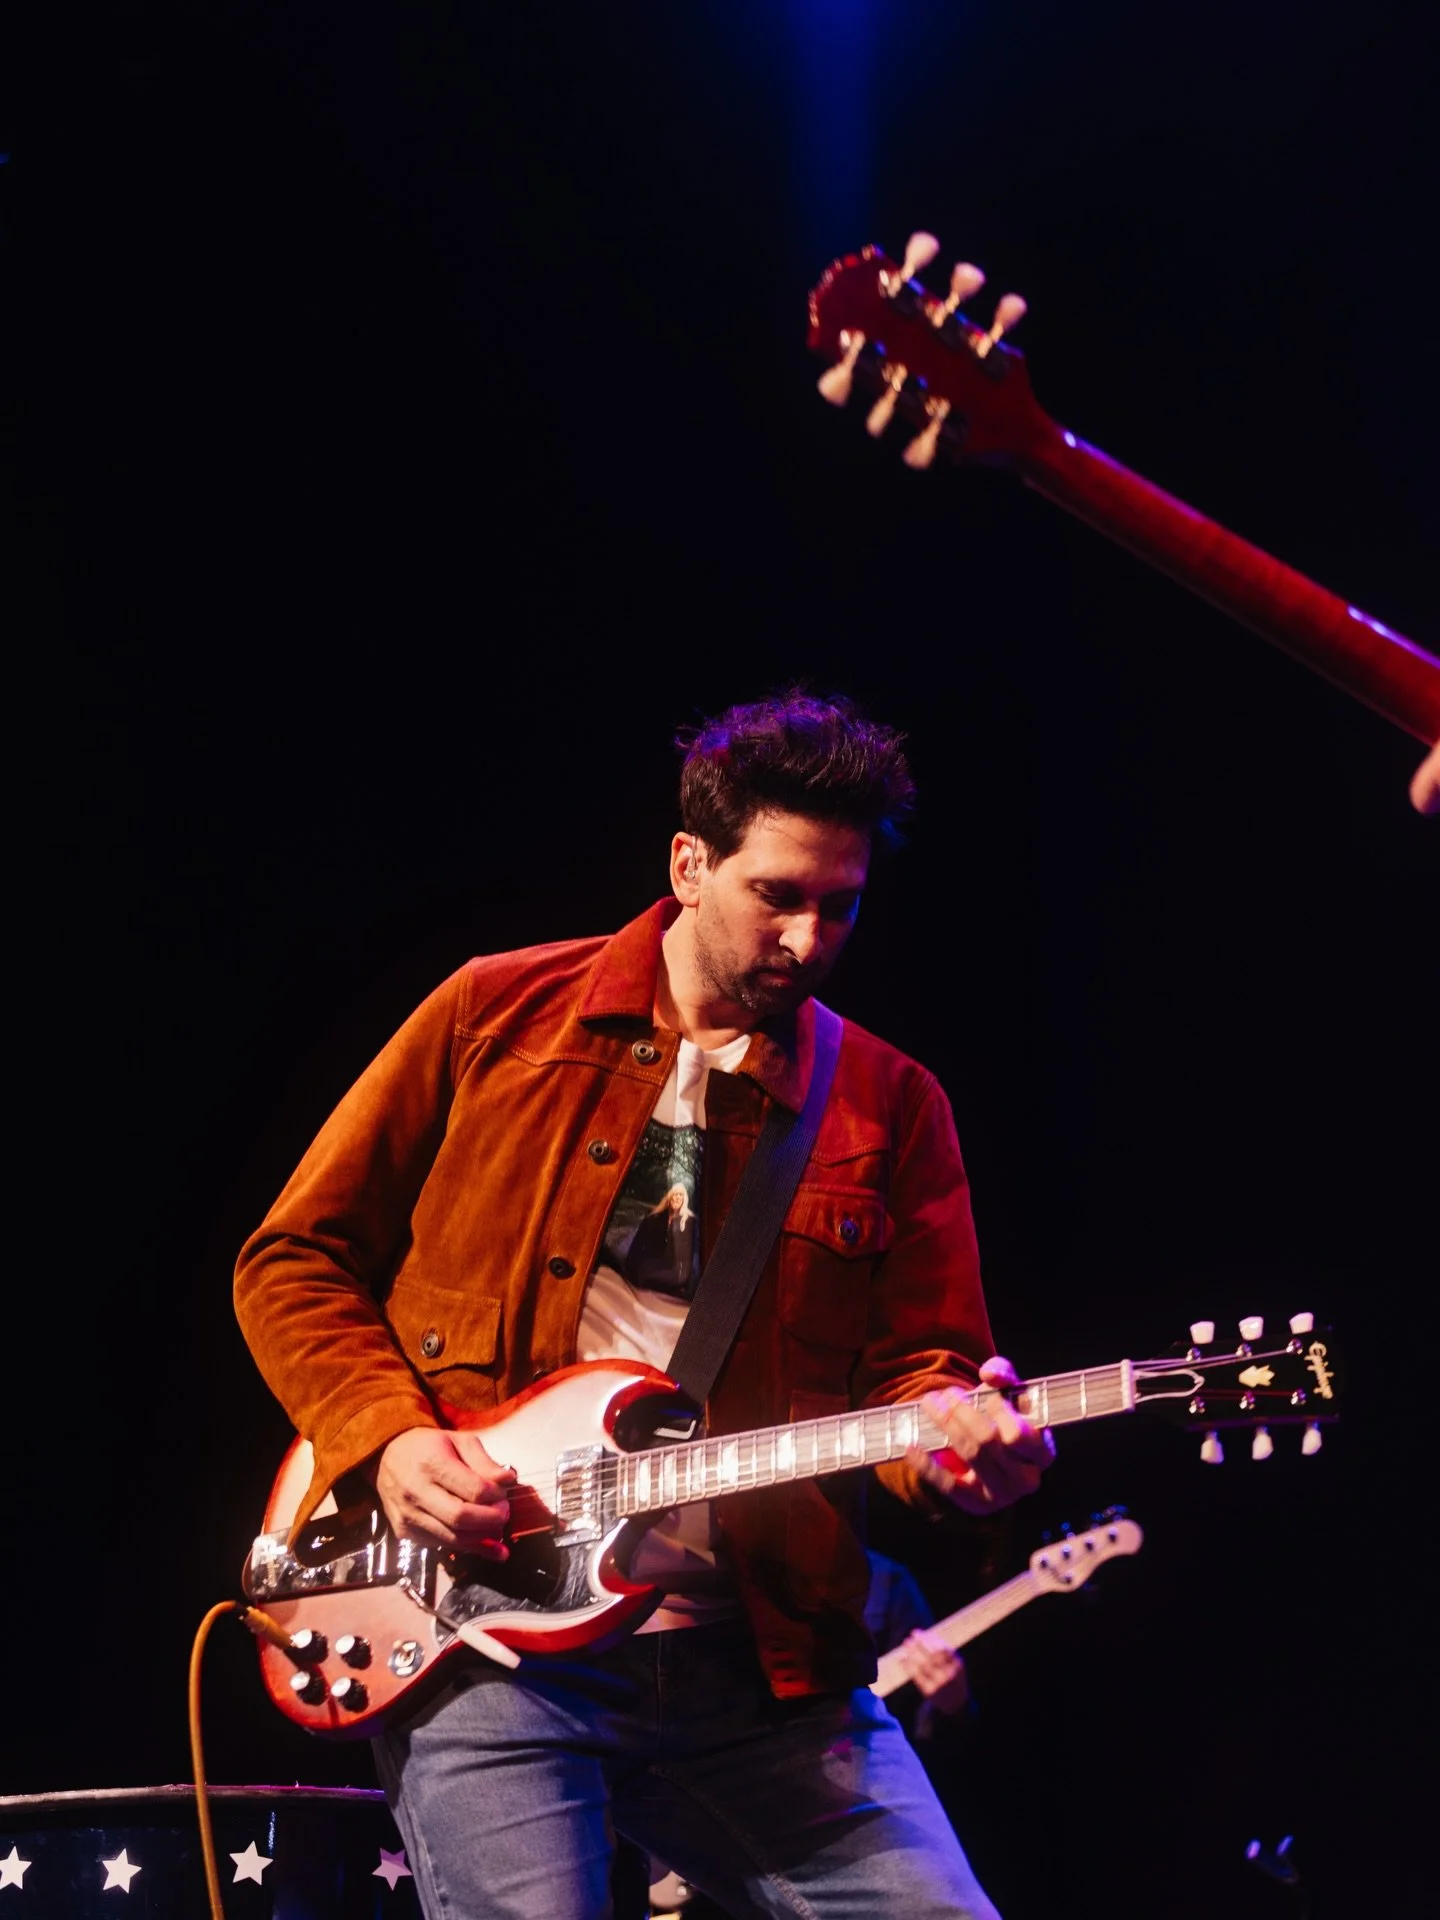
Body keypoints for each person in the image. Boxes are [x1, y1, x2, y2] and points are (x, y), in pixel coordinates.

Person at [234, 688, 1055, 1920]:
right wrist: (391, 1439)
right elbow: (291, 1257)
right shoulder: (493, 1016)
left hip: (766, 1667)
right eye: (777, 894)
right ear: (688, 863)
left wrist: (958, 1456)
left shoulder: (891, 1103)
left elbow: (924, 1375)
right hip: (494, 1650)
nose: (808, 938)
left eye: (841, 907)